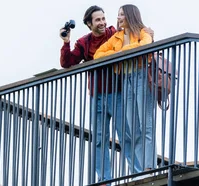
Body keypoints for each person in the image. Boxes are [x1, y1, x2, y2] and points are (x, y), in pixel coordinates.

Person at [60, 5, 153, 184]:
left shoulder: (113, 33)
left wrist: (148, 33)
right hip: (97, 95)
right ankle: (104, 179)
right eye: (98, 20)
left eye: (103, 18)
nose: (103, 22)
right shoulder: (84, 42)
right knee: (99, 139)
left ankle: (138, 173)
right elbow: (67, 62)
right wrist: (66, 42)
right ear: (89, 24)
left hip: (117, 92)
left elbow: (133, 37)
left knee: (126, 135)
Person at [93, 4, 155, 178]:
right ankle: (140, 170)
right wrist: (120, 52)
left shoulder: (142, 31)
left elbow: (145, 44)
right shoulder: (117, 37)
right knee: (133, 128)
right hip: (126, 80)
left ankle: (149, 167)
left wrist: (119, 52)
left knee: (146, 125)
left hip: (141, 76)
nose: (118, 18)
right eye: (118, 15)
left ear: (129, 16)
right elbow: (98, 55)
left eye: (121, 15)